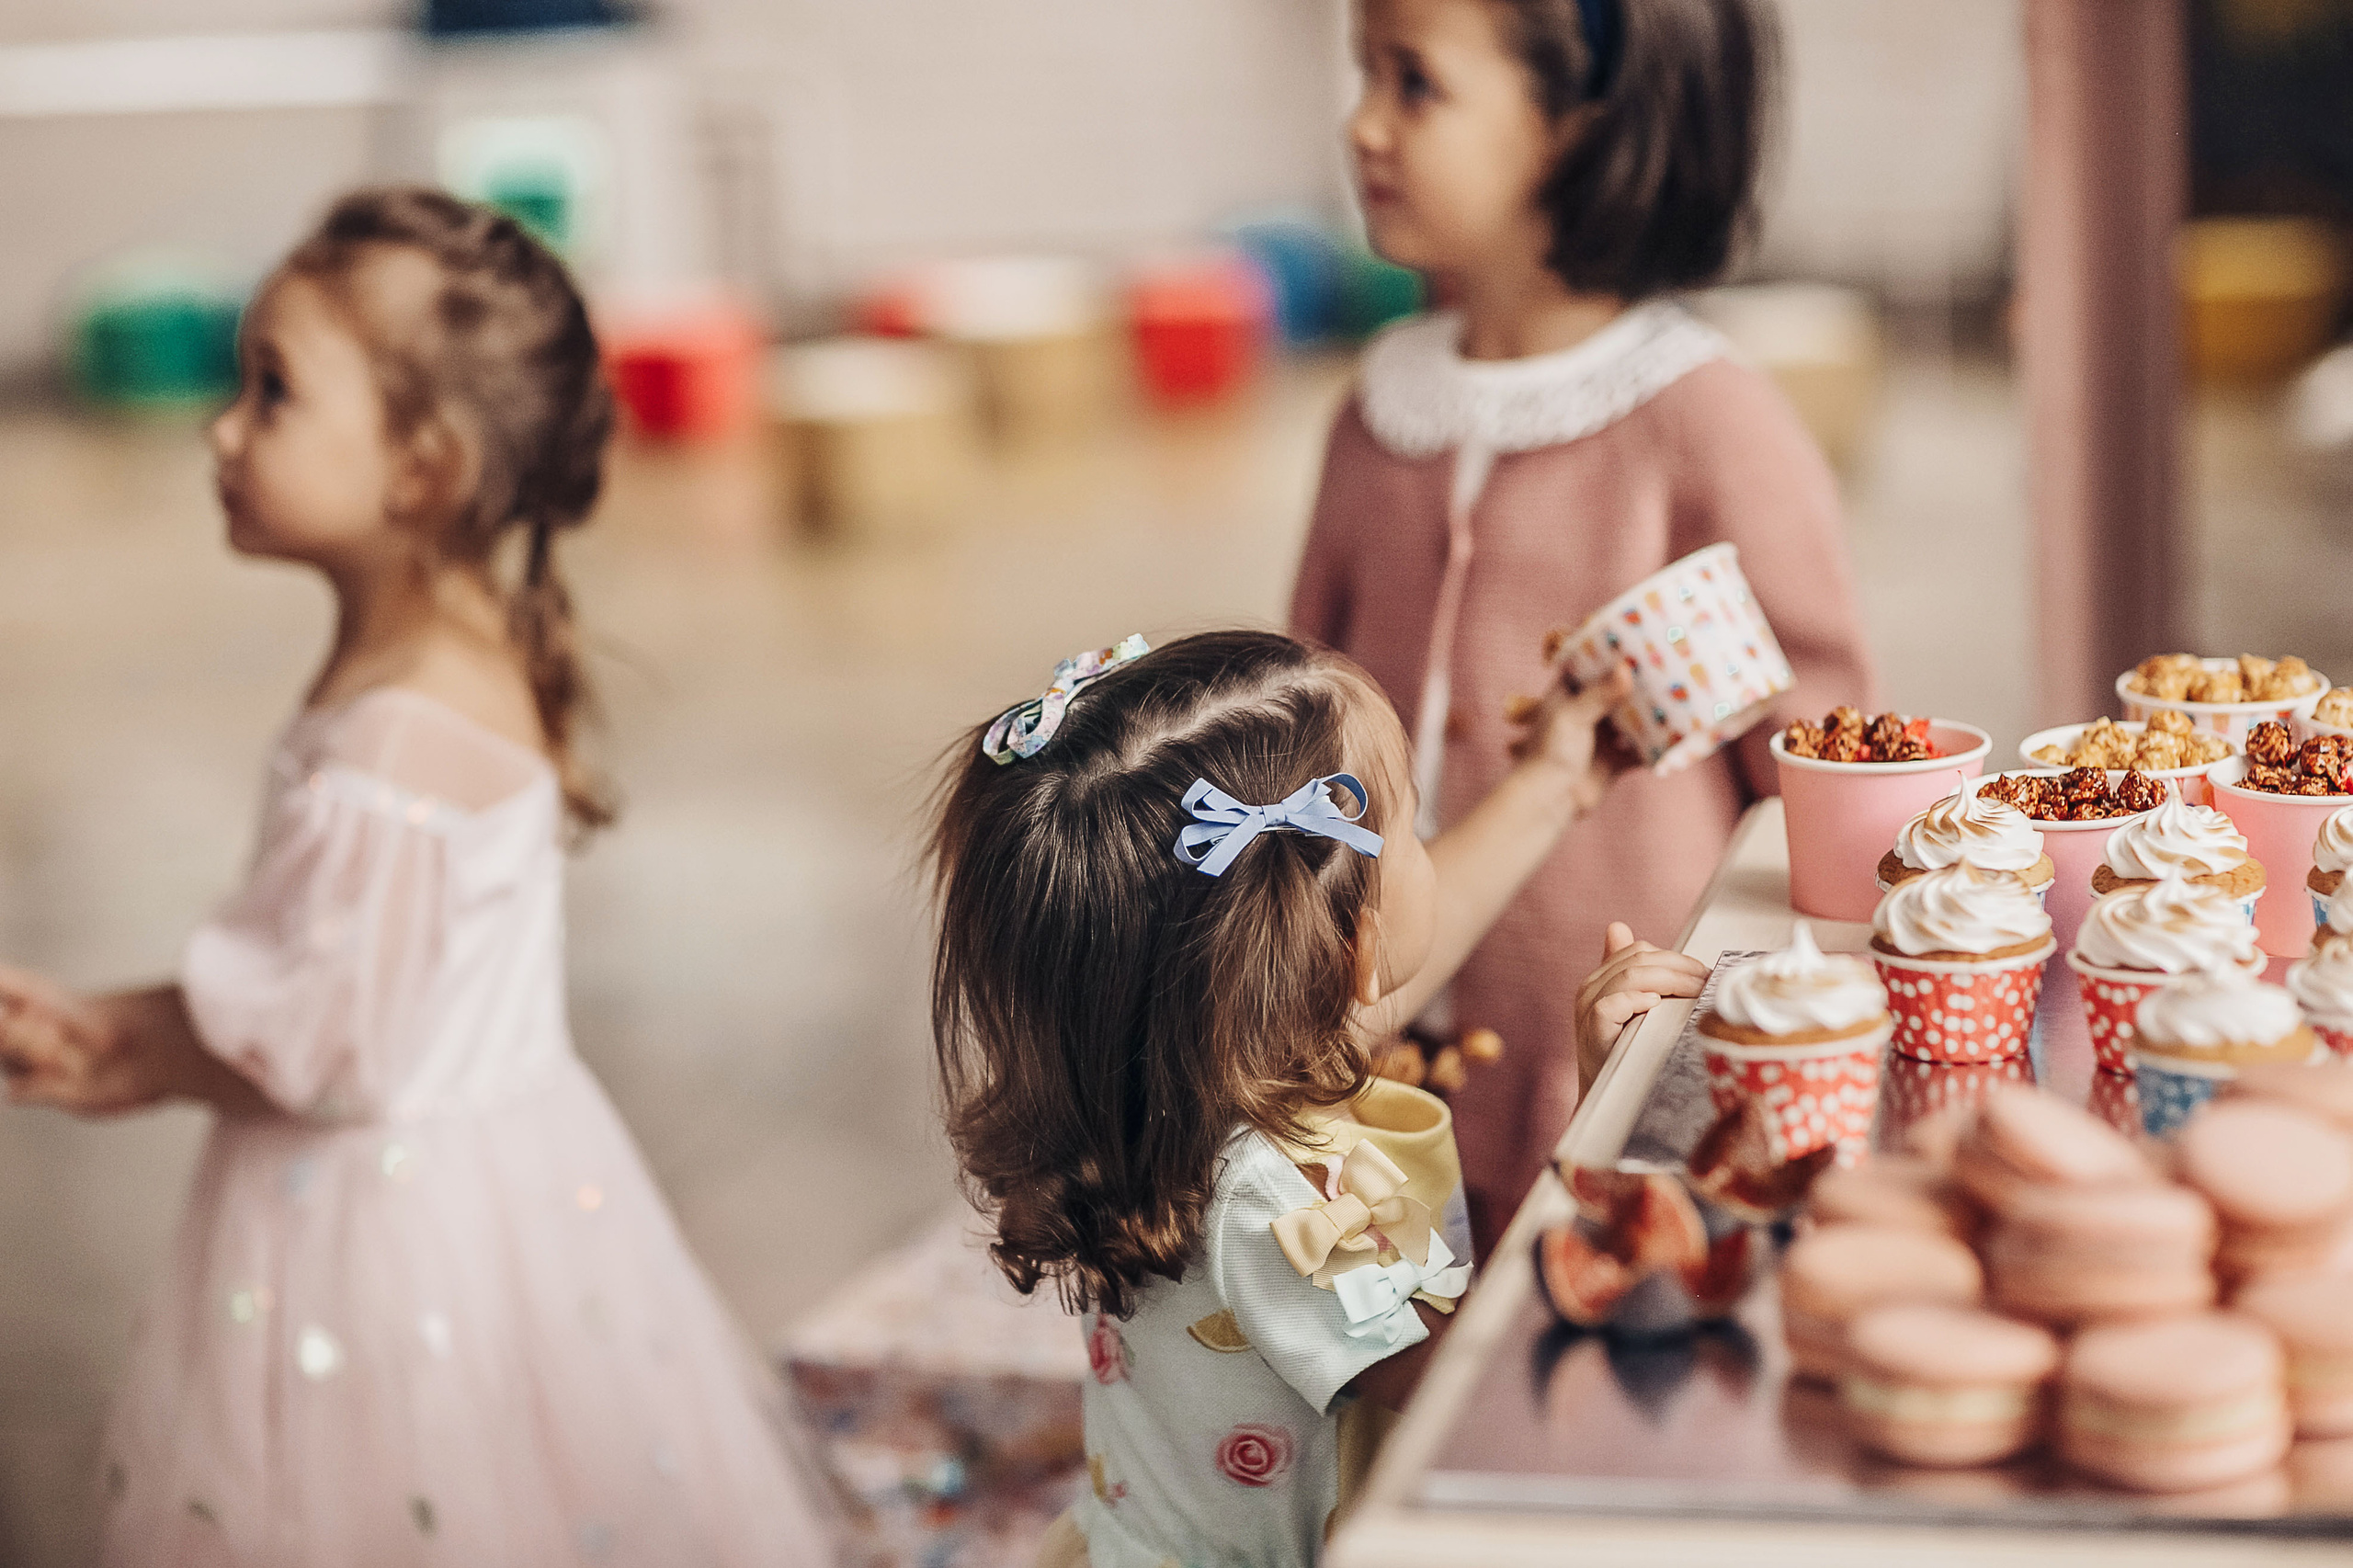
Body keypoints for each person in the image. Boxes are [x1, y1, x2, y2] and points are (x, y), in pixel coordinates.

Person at [0, 187, 832, 1565]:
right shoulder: (464, 644)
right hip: (503, 1176)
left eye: (271, 392)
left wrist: (116, 1047)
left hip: (374, 1237)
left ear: (423, 468)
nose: (222, 427)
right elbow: (356, 993)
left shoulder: (390, 746)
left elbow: (318, 1049)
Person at [928, 630, 1705, 1568]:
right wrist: (1611, 1109)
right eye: (1413, 827)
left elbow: (1383, 965)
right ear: (1350, 956)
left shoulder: (1194, 1072)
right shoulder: (1273, 1201)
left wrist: (1552, 783)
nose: (1428, 851)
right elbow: (1493, 1400)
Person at [1292, 0, 1877, 1246]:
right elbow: (1294, 736)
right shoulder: (1371, 415)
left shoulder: (1705, 421)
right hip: (1374, 1086)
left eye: (1414, 84)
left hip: (1612, 1061)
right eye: (1363, 76)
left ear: (1577, 123)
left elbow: (1830, 775)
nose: (1364, 125)